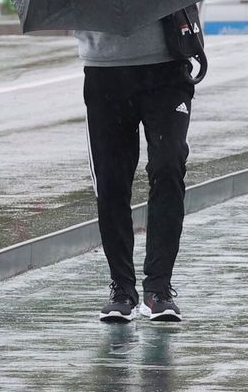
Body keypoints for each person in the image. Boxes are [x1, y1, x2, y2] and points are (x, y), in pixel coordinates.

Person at [80, 22, 197, 322]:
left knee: (169, 165)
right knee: (111, 181)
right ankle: (122, 289)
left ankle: (159, 287)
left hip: (168, 65)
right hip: (106, 68)